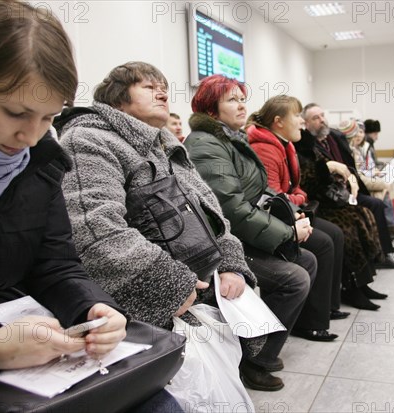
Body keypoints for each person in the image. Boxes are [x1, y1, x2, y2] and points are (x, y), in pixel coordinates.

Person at [0, 3, 178, 411]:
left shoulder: (43, 164)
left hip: (25, 347)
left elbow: (55, 264)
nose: (30, 135)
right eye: (15, 113)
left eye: (48, 118)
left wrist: (93, 306)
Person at [57, 63, 268, 405]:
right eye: (148, 87)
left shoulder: (166, 145)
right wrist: (170, 285)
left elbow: (213, 214)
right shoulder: (88, 139)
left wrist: (230, 261)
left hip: (200, 282)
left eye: (165, 87)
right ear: (117, 100)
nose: (162, 93)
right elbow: (96, 232)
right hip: (141, 298)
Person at [185, 75, 317, 391]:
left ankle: (261, 343)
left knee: (307, 260)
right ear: (211, 108)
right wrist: (287, 232)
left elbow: (259, 188)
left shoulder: (231, 137)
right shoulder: (205, 145)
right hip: (222, 245)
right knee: (295, 278)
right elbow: (229, 208)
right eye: (232, 99)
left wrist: (288, 208)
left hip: (242, 234)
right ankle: (252, 361)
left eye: (243, 98)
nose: (242, 105)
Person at [246, 95, 351, 329]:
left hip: (290, 210)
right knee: (323, 243)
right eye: (297, 115)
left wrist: (298, 197)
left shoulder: (285, 144)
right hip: (275, 218)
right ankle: (313, 321)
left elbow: (294, 188)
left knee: (334, 234)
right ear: (278, 121)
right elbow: (273, 196)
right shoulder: (264, 148)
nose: (301, 121)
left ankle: (328, 307)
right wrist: (299, 199)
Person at [301, 104, 394, 271]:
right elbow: (315, 176)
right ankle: (374, 261)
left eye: (322, 115)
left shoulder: (333, 138)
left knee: (376, 204)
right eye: (316, 118)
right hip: (329, 197)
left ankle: (383, 253)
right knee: (369, 208)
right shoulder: (307, 145)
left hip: (347, 189)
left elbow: (348, 166)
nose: (322, 120)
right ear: (305, 123)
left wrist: (351, 178)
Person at [342, 119, 394, 238]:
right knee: (385, 187)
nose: (359, 135)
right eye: (357, 132)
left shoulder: (363, 147)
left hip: (366, 178)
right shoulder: (353, 149)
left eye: (361, 132)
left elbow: (368, 166)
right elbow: (358, 172)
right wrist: (373, 172)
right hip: (361, 182)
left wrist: (375, 171)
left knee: (388, 184)